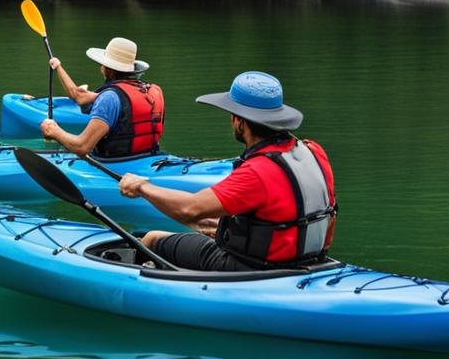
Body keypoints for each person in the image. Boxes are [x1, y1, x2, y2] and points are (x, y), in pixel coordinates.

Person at [118, 71, 337, 271]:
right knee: (206, 227)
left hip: (251, 268)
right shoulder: (313, 151)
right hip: (309, 261)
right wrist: (226, 228)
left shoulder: (257, 171)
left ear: (240, 122)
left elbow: (188, 210)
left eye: (232, 115)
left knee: (152, 238)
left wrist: (142, 187)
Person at [41, 37, 164, 158]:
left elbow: (82, 147)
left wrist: (54, 131)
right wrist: (58, 67)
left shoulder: (109, 98)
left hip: (116, 164)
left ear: (108, 70)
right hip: (149, 158)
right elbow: (78, 96)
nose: (101, 68)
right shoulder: (149, 92)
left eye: (103, 65)